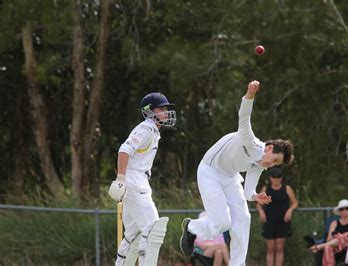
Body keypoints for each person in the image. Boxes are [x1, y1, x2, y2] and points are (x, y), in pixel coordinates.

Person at [179, 80, 295, 266]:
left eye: (276, 164)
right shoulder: (249, 140)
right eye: (274, 159)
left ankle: (237, 264)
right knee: (222, 224)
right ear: (269, 148)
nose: (271, 165)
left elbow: (248, 191)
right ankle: (191, 227)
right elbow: (244, 116)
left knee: (243, 217)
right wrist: (250, 94)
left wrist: (256, 196)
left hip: (230, 177)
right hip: (210, 171)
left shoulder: (260, 166)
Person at [108, 92, 177, 266]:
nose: (166, 112)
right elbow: (124, 149)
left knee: (134, 236)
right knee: (153, 229)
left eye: (166, 109)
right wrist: (121, 179)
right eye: (161, 109)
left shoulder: (153, 131)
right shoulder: (146, 129)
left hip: (137, 181)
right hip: (134, 181)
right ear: (149, 111)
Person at [256, 167, 298, 266]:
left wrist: (290, 210)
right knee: (270, 248)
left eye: (278, 177)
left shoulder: (287, 189)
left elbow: (295, 203)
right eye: (274, 177)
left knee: (279, 248)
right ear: (270, 178)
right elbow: (258, 203)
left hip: (282, 221)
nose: (276, 179)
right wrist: (261, 212)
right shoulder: (266, 189)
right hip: (269, 221)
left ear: (281, 178)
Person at [309, 199, 348, 266]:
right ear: (339, 211)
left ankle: (320, 246)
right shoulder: (334, 223)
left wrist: (341, 238)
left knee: (347, 235)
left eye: (347, 209)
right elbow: (329, 239)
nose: (344, 211)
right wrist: (337, 237)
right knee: (327, 247)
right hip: (335, 247)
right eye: (342, 209)